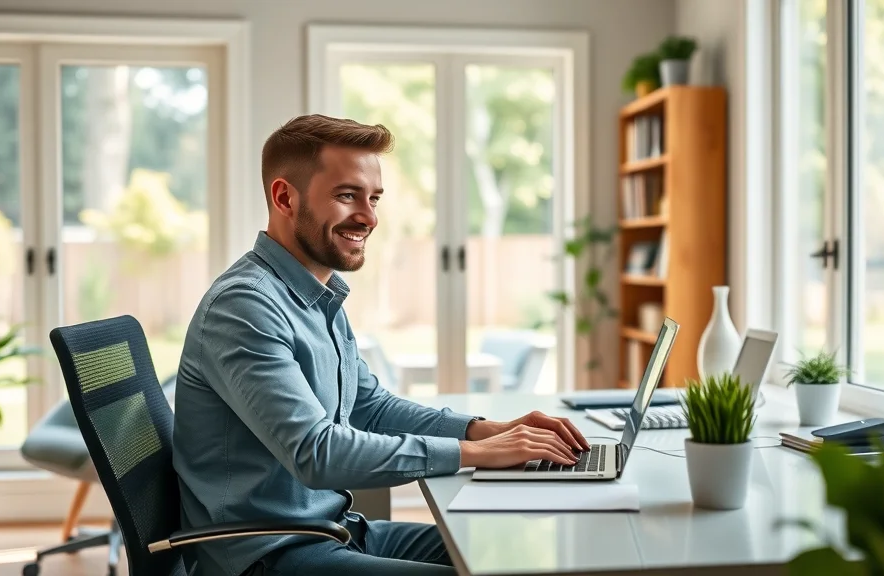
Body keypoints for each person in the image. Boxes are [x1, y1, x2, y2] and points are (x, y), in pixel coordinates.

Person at [172, 114, 590, 576]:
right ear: (285, 197)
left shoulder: (319, 296)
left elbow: (371, 407)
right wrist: (475, 455)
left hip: (333, 530)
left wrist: (484, 430)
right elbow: (317, 453)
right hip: (269, 556)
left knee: (519, 555)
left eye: (373, 198)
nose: (369, 217)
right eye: (347, 195)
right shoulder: (245, 306)